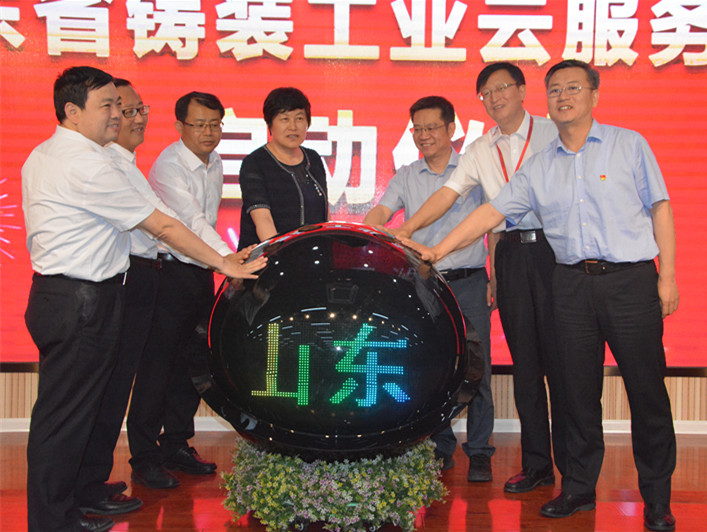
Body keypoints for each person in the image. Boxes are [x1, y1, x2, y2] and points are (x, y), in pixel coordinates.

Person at [403, 60, 678, 532]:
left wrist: (667, 275)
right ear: (546, 97)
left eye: (573, 88)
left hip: (629, 281)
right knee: (577, 391)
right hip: (569, 283)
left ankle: (657, 498)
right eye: (556, 90)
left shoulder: (628, 144)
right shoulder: (539, 166)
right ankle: (578, 487)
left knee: (646, 391)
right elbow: (491, 212)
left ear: (594, 94)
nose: (563, 97)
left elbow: (660, 207)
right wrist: (436, 249)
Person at [22, 66, 265, 532]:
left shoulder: (51, 152)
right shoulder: (87, 164)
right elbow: (164, 225)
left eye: (122, 106)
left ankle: (74, 502)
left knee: (76, 413)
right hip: (80, 300)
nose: (119, 115)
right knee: (64, 419)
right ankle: (53, 521)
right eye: (108, 106)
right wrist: (224, 262)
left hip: (71, 295)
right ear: (72, 111)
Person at [390, 62, 565, 493]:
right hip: (512, 253)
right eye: (486, 92)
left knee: (565, 363)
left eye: (502, 88)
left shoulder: (553, 133)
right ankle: (538, 465)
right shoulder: (481, 150)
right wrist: (408, 229)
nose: (494, 97)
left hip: (557, 250)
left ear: (522, 90)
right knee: (525, 366)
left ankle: (576, 471)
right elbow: (448, 196)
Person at [363, 96, 494, 480]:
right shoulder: (407, 175)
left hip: (469, 280)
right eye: (417, 129)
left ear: (451, 129)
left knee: (478, 369)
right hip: (424, 284)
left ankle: (480, 450)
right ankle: (440, 445)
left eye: (431, 127)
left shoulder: (474, 169)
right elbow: (383, 210)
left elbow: (495, 225)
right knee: (430, 368)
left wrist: (497, 277)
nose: (424, 135)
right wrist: (370, 226)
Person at [126, 91, 238, 488]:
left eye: (215, 124)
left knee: (191, 364)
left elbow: (207, 220)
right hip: (169, 274)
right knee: (157, 367)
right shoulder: (169, 167)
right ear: (179, 126)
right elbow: (191, 222)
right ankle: (144, 456)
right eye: (199, 124)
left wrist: (219, 263)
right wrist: (228, 260)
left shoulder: (215, 161)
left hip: (200, 272)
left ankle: (175, 443)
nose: (208, 132)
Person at [237, 87, 328, 250]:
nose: (293, 126)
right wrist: (280, 255)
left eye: (299, 118)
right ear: (269, 123)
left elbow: (324, 215)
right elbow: (263, 220)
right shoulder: (255, 163)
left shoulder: (313, 159)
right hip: (269, 258)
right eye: (284, 119)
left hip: (313, 257)